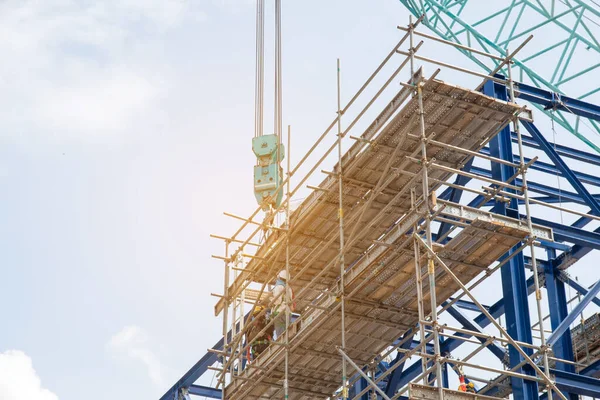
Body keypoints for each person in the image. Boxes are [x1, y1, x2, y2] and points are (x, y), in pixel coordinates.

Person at [270, 270, 295, 339]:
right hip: (287, 312)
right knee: (286, 332)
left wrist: (271, 300)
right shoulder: (289, 288)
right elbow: (291, 304)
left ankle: (282, 347)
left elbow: (277, 301)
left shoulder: (279, 287)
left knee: (280, 335)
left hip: (279, 312)